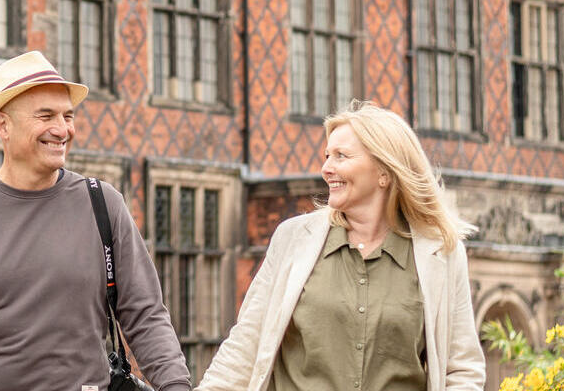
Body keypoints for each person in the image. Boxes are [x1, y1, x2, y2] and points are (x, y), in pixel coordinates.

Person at [0, 51, 192, 391]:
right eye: (46, 116)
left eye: (68, 116)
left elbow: (146, 316)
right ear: (3, 125)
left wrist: (177, 387)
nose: (62, 129)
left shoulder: (102, 203)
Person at [196, 102, 485, 391]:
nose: (326, 168)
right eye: (326, 156)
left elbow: (462, 370)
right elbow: (245, 346)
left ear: (384, 172)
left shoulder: (441, 254)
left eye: (341, 156)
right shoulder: (292, 240)